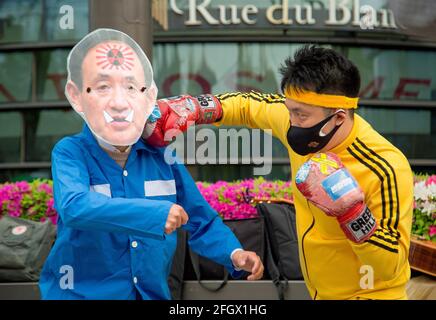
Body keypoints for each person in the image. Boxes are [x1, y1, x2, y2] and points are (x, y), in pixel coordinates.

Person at [144, 45, 414, 300]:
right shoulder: (298, 116)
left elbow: (391, 265)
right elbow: (247, 105)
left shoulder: (386, 165)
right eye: (290, 112)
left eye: (301, 116)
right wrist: (197, 107)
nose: (292, 123)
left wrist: (353, 214)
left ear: (339, 117)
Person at [39, 28, 263, 300]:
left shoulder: (162, 157)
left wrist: (234, 254)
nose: (119, 102)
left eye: (132, 87)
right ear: (77, 96)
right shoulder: (71, 152)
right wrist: (155, 214)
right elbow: (75, 207)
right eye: (102, 87)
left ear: (149, 96)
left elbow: (201, 220)